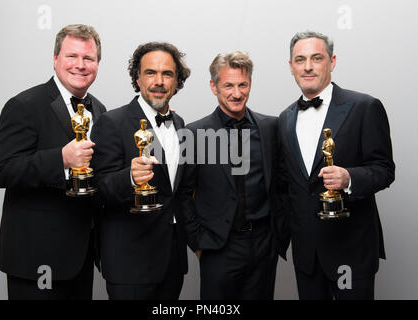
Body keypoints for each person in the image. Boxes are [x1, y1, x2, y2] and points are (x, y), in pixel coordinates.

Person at [0, 24, 106, 299]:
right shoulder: (24, 105)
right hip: (34, 260)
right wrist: (61, 159)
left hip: (80, 259)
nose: (80, 65)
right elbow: (3, 171)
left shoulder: (100, 110)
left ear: (97, 64)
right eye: (72, 56)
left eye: (88, 58)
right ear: (55, 59)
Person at [278, 31, 395, 300]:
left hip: (351, 250)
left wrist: (349, 178)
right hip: (307, 254)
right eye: (300, 59)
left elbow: (384, 169)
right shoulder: (285, 119)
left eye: (316, 58)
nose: (307, 66)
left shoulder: (365, 106)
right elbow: (287, 185)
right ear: (291, 66)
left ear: (331, 61)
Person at [178, 52, 290, 299]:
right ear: (213, 86)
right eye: (228, 85)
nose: (237, 93)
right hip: (218, 247)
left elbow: (282, 186)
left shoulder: (271, 128)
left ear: (250, 84)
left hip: (263, 244)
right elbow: (183, 195)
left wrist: (278, 235)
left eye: (243, 85)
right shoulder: (194, 133)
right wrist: (198, 243)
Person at [90, 42, 191, 300]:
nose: (159, 81)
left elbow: (176, 192)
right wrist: (129, 178)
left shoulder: (179, 124)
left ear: (177, 80)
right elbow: (97, 189)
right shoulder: (112, 122)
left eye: (167, 74)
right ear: (137, 77)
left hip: (172, 261)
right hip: (129, 263)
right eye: (150, 73)